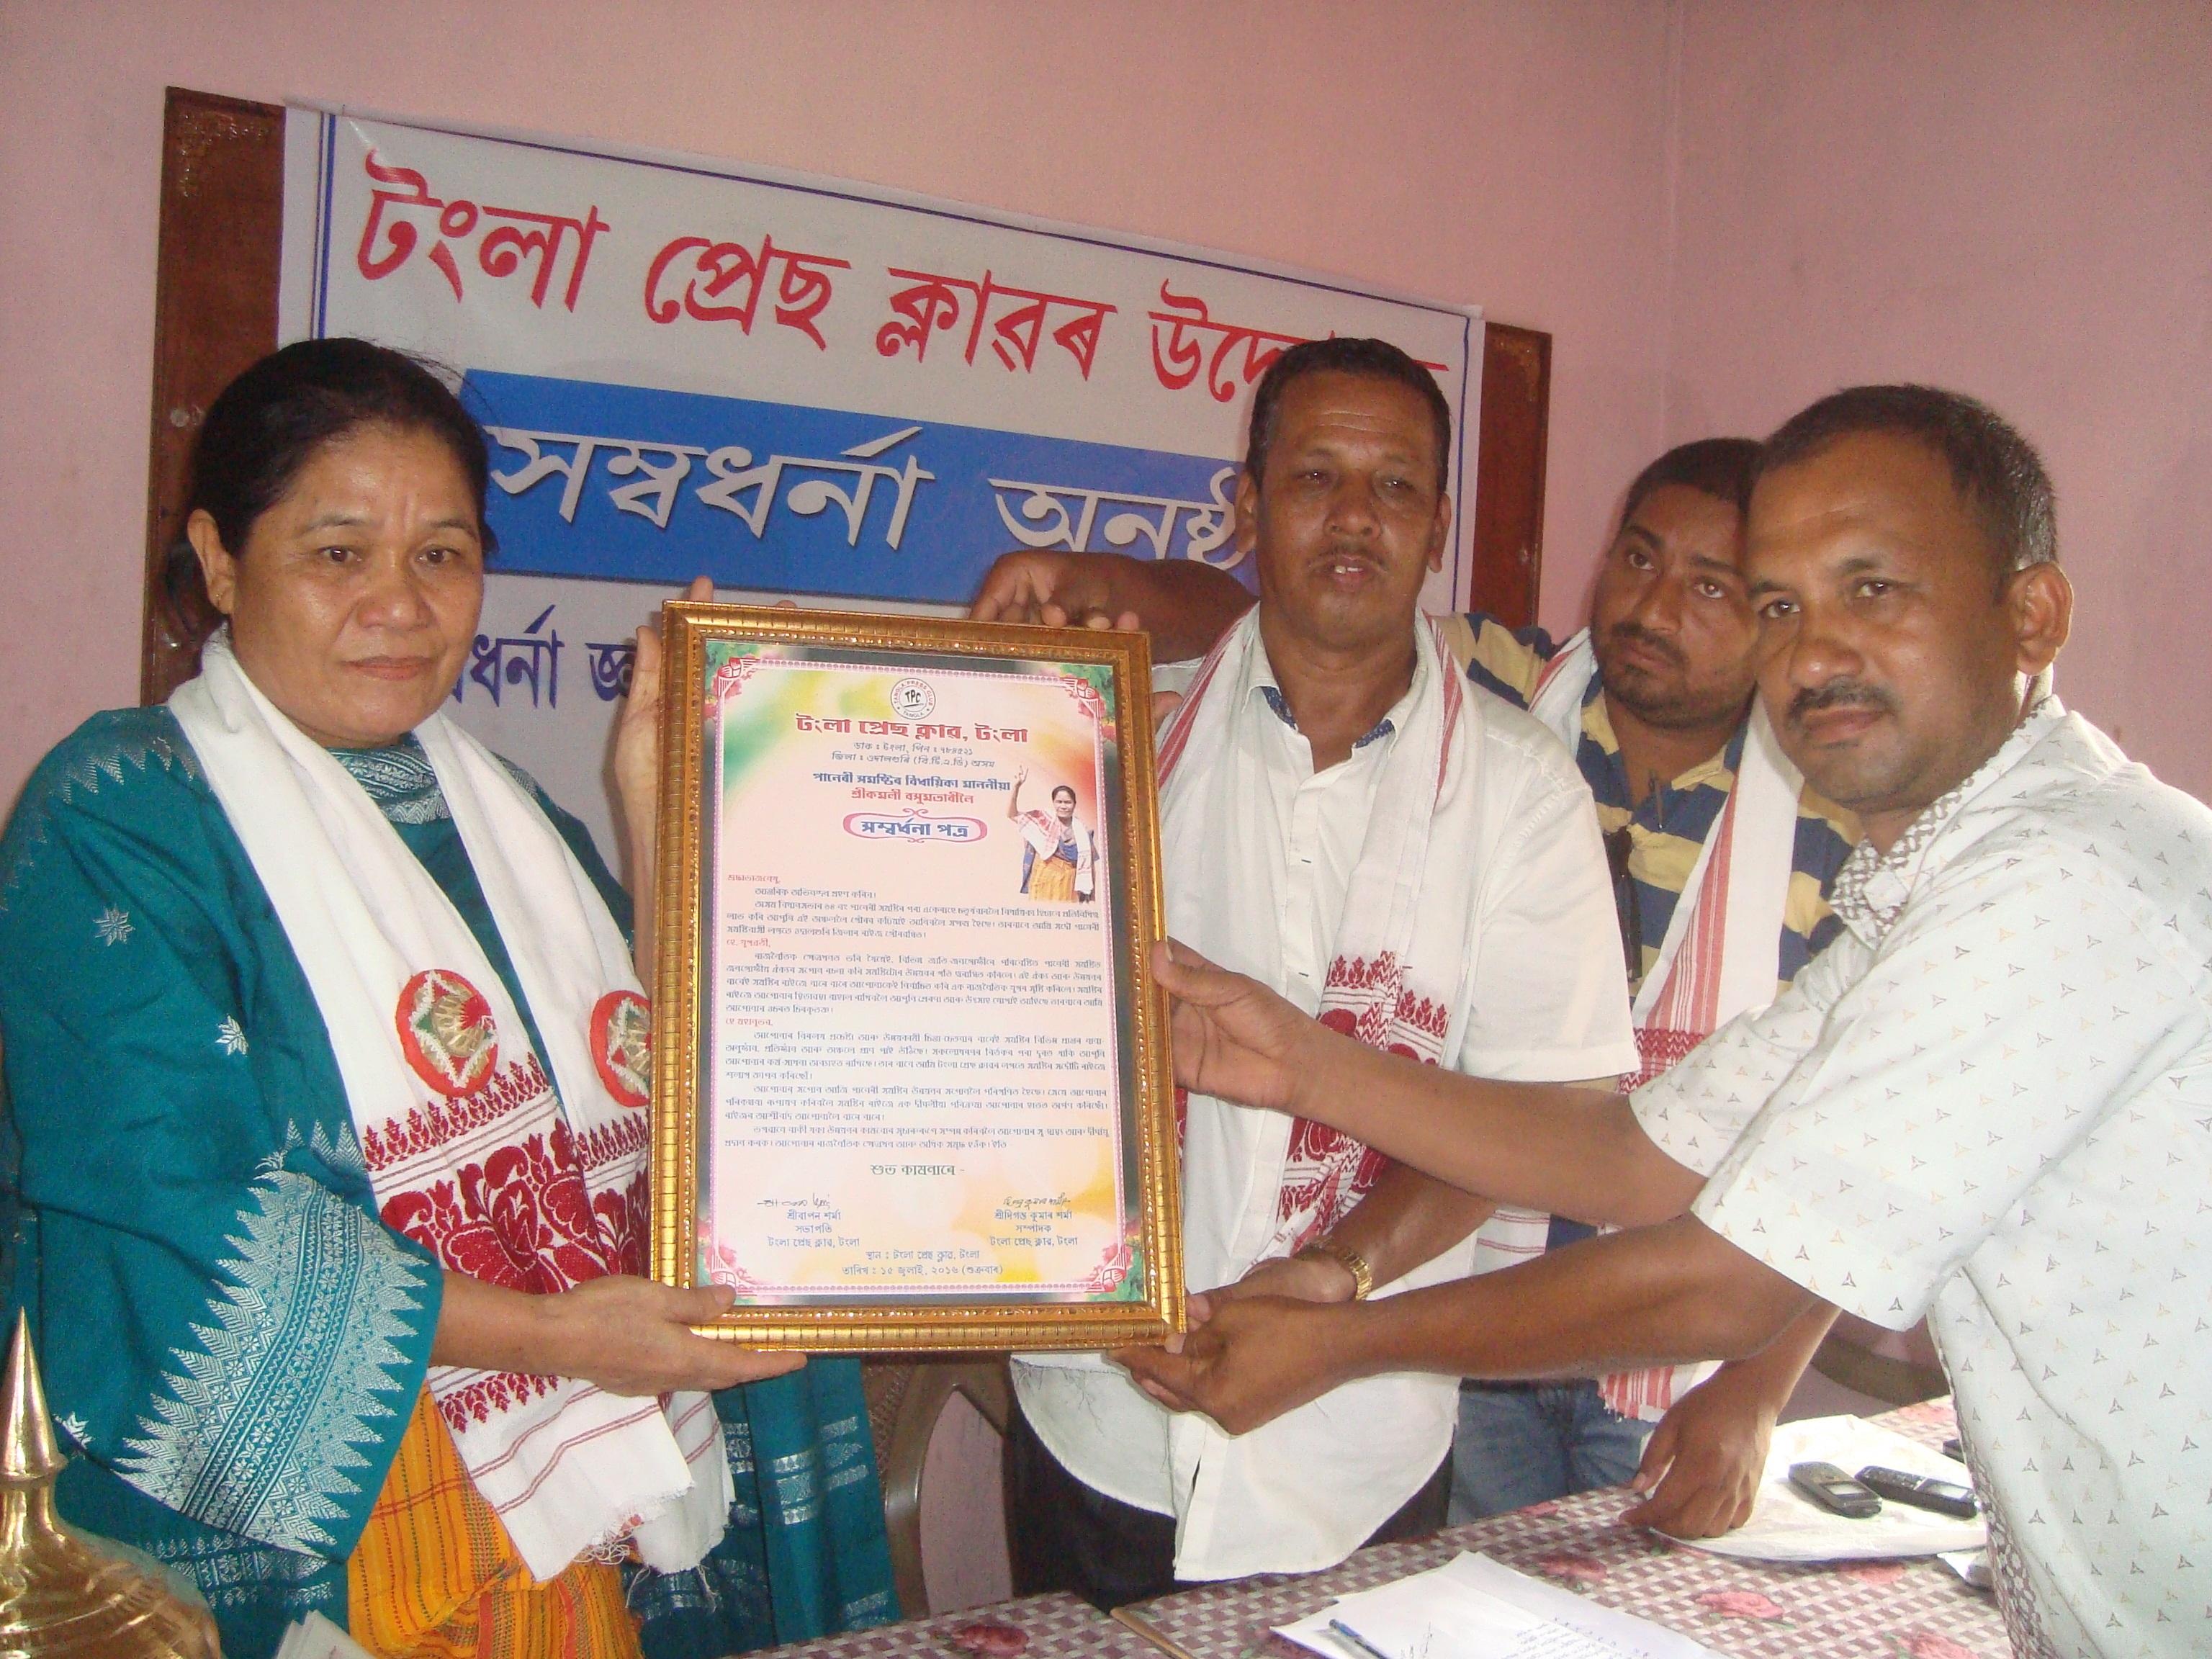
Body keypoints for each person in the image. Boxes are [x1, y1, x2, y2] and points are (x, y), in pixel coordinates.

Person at [1122, 385, 2211, 1659]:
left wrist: (1342, 1342)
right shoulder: (1935, 889)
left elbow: (1726, 1276)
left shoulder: (2064, 875)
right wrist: (1302, 1062)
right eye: (1780, 606)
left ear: (2032, 615)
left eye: (1872, 591)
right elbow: (1635, 1153)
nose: (1812, 655)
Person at [0, 338, 894, 1659]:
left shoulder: (504, 815)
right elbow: (173, 1201)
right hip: (326, 1515)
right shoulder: (119, 813)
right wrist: (557, 1336)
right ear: (219, 558)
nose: (401, 606)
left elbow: (677, 1088)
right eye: (338, 553)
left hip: (583, 1505)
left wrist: (657, 812)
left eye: (442, 554)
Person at [974, 440, 1859, 1539]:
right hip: (1460, 1317)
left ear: (1774, 614)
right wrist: (1097, 582)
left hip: (1675, 1348)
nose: (1653, 606)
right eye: (1638, 559)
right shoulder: (1502, 683)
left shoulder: (1829, 829)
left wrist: (1758, 1388)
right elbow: (1277, 612)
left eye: (1711, 587)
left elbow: (1854, 1151)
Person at [1006, 337, 1637, 1605]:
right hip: (1099, 1422)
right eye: (1314, 477)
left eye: (1395, 485)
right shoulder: (1094, 738)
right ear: (1246, 505)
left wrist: (1337, 1280)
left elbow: (1540, 1123)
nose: (1356, 515)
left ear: (1438, 524)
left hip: (1359, 1439)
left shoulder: (1524, 794)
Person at [1007, 765, 1094, 901]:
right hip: (1043, 880)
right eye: (1059, 802)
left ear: (1074, 804)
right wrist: (1016, 787)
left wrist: (1090, 897)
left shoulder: (1083, 831)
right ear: (1054, 803)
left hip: (1068, 886)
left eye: (1068, 802)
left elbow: (1090, 865)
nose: (1063, 806)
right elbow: (1012, 814)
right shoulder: (1043, 820)